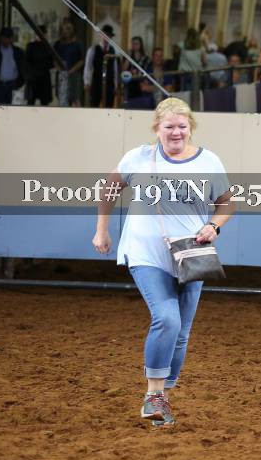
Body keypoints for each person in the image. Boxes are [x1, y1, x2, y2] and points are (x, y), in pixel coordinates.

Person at [92, 97, 234, 427]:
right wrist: (101, 230)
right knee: (167, 319)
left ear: (190, 128)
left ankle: (162, 399)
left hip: (191, 254)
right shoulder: (138, 158)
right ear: (157, 128)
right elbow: (109, 188)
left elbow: (227, 203)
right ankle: (153, 395)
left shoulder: (209, 161)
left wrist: (214, 226)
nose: (176, 132)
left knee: (181, 333)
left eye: (182, 126)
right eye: (169, 126)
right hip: (146, 252)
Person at [83, 24, 120, 108]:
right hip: (96, 81)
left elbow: (115, 69)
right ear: (101, 35)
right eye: (105, 35)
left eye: (109, 36)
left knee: (109, 106)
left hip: (109, 83)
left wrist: (116, 85)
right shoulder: (93, 49)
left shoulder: (113, 50)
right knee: (94, 105)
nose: (106, 38)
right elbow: (88, 67)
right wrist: (87, 82)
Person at [0, 26, 25, 105]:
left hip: (13, 85)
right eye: (4, 37)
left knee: (12, 108)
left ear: (11, 39)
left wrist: (19, 83)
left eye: (8, 38)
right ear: (0, 38)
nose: (6, 40)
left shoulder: (18, 52)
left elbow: (23, 69)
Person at [54, 19, 84, 107]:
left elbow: (82, 60)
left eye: (68, 29)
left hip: (74, 74)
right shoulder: (57, 44)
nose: (65, 31)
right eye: (63, 29)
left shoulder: (77, 44)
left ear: (72, 30)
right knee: (62, 98)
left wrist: (71, 70)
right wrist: (60, 70)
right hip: (61, 74)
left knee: (75, 98)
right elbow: (54, 59)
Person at [24, 25, 55, 106]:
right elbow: (27, 62)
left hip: (44, 78)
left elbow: (51, 63)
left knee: (44, 102)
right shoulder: (31, 46)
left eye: (43, 34)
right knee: (31, 102)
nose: (40, 36)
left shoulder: (48, 47)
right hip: (33, 78)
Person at [123, 36, 153, 109]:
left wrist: (138, 73)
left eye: (136, 44)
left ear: (140, 45)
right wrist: (128, 58)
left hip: (141, 85)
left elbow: (148, 71)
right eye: (133, 44)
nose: (134, 46)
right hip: (130, 85)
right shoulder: (129, 56)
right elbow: (124, 69)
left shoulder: (146, 58)